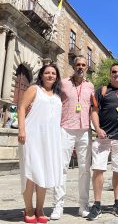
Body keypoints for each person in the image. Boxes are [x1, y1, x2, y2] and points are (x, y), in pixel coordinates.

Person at [50, 55, 96, 220]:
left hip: (84, 130)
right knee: (61, 167)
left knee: (84, 169)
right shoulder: (63, 83)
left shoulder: (90, 86)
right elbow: (52, 101)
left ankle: (83, 206)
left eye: (84, 65)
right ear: (73, 65)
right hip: (65, 128)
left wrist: (96, 127)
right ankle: (58, 206)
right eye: (78, 64)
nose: (81, 67)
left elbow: (94, 109)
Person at [87, 61, 118, 220]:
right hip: (103, 138)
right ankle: (97, 204)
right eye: (114, 72)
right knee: (98, 169)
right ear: (110, 74)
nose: (117, 74)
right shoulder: (102, 91)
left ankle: (117, 202)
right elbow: (94, 111)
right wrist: (98, 129)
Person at [18, 63, 63, 223]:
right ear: (42, 75)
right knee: (31, 173)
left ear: (56, 77)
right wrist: (21, 130)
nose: (50, 75)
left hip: (50, 140)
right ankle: (29, 209)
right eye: (47, 73)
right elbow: (22, 107)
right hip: (32, 136)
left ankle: (40, 209)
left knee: (44, 173)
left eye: (53, 73)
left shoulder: (58, 97)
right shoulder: (34, 89)